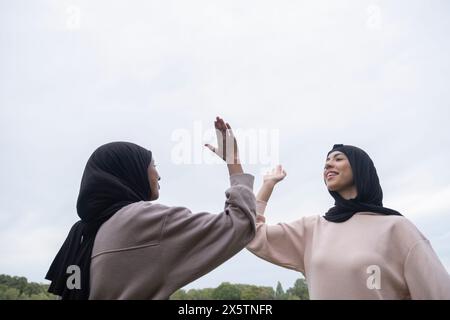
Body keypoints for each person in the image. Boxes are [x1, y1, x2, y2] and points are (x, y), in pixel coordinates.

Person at [46, 117, 256, 299]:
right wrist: (233, 160)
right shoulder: (141, 221)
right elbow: (240, 223)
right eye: (154, 165)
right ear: (131, 171)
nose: (159, 175)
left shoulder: (83, 236)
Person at [247, 144, 450, 299]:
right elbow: (250, 234)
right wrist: (267, 186)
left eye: (338, 159)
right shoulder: (312, 230)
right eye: (326, 161)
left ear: (360, 168)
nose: (328, 164)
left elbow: (438, 293)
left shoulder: (397, 228)